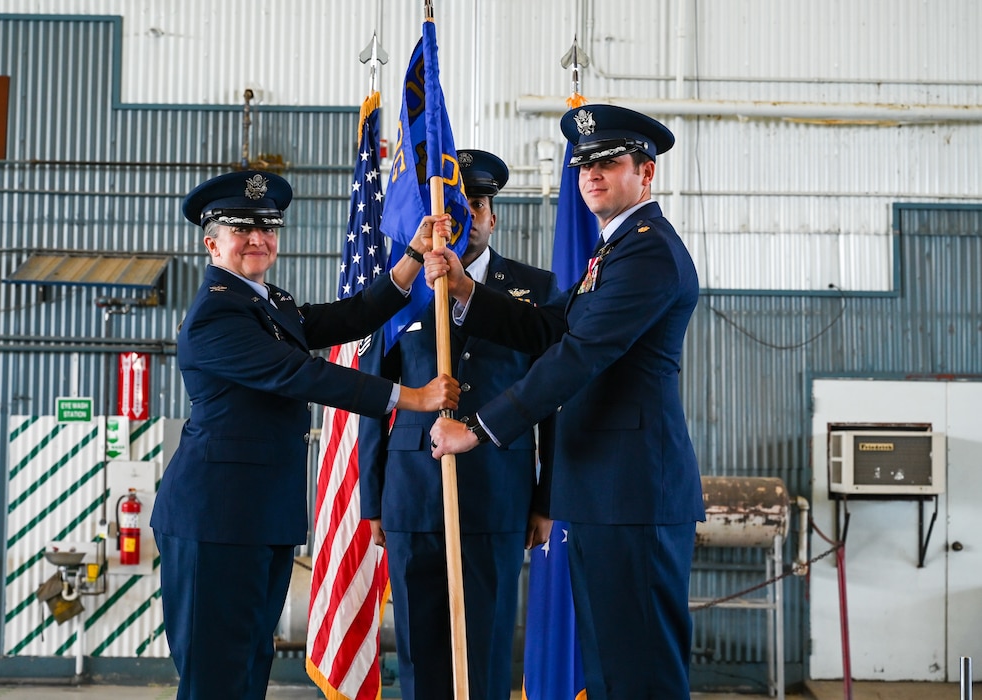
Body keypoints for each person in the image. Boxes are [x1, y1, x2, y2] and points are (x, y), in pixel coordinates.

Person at [425, 106, 705, 699]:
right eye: (584, 165)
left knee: (640, 672)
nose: (592, 175)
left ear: (646, 173)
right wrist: (465, 287)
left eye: (609, 163)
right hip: (608, 490)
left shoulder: (648, 253)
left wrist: (477, 429)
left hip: (634, 493)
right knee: (609, 665)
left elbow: (578, 355)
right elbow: (550, 327)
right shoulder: (616, 249)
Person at [150, 170, 460, 700]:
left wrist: (411, 255)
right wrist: (413, 397)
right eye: (240, 229)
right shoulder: (215, 315)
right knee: (216, 674)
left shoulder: (265, 301)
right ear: (212, 242)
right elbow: (302, 374)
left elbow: (350, 315)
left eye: (267, 227)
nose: (258, 239)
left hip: (259, 515)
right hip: (215, 518)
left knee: (248, 663)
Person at [358, 150, 560, 699]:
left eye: (475, 203)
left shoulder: (536, 289)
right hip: (414, 492)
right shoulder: (401, 286)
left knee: (489, 649)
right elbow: (375, 391)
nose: (466, 214)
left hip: (499, 492)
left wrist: (546, 499)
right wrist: (372, 500)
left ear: (492, 214)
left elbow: (554, 400)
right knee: (421, 653)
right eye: (453, 204)